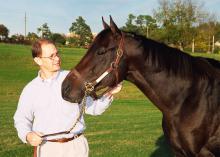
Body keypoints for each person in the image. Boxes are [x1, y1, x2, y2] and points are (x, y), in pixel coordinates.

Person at [14, 39, 122, 157]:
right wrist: (27, 135)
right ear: (38, 60)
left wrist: (110, 93)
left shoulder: (74, 80)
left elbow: (93, 108)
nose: (57, 58)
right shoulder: (31, 89)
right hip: (47, 148)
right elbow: (21, 119)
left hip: (76, 147)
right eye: (51, 56)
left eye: (57, 54)